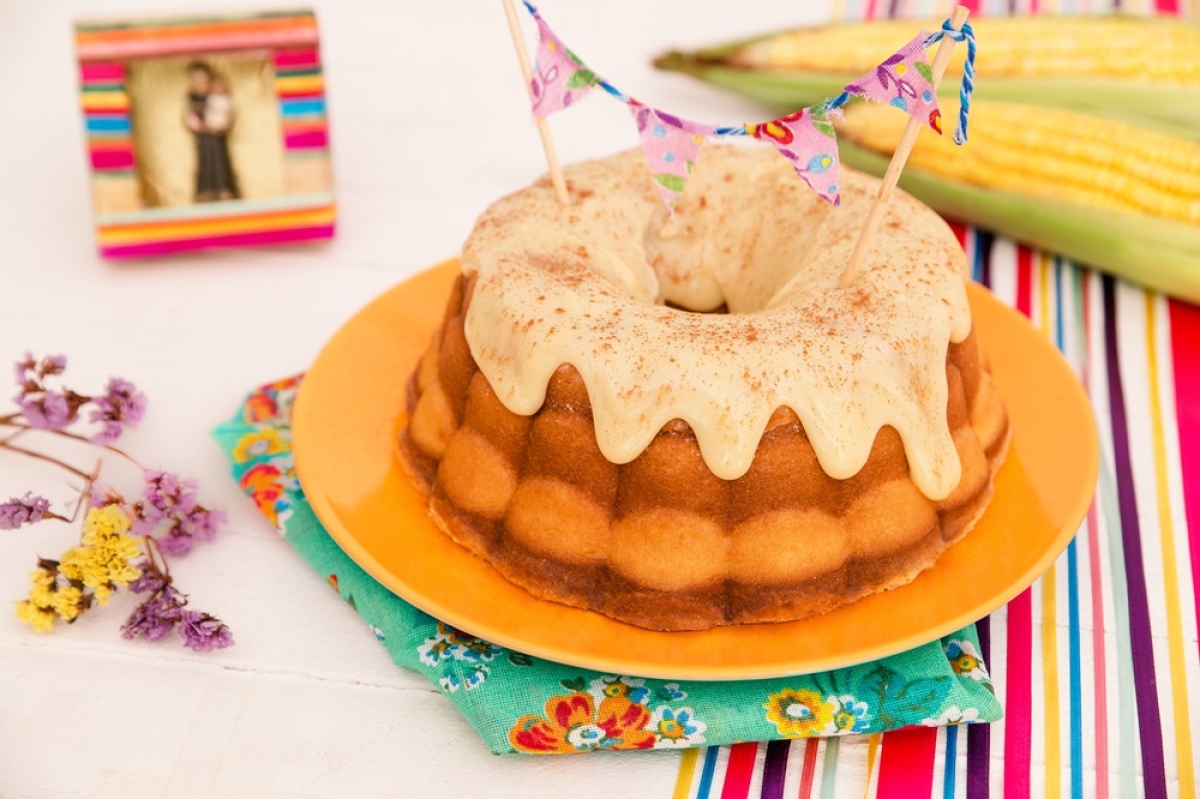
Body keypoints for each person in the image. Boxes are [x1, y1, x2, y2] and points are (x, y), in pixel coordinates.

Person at [184, 62, 238, 202]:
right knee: (204, 161)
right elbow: (191, 113)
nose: (200, 83)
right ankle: (205, 190)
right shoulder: (192, 96)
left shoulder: (216, 94)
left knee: (220, 160)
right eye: (196, 79)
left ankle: (224, 188)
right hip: (202, 135)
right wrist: (196, 124)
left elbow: (224, 111)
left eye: (203, 79)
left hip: (217, 134)